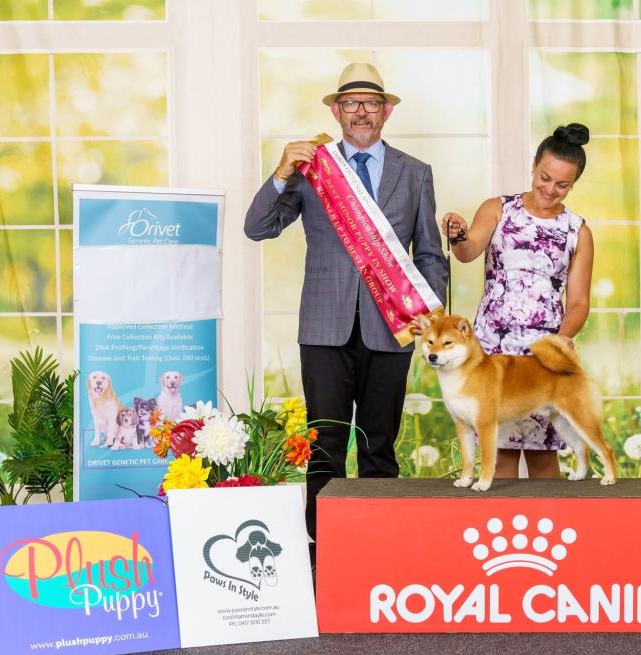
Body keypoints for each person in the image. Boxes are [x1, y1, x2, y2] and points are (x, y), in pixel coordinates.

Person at [244, 63, 448, 560]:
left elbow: (429, 253)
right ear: (336, 111)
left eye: (371, 103)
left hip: (393, 329)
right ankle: (326, 555)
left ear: (386, 112)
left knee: (380, 446)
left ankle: (381, 552)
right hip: (323, 329)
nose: (361, 112)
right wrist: (281, 173)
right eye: (351, 103)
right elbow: (257, 228)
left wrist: (426, 314)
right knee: (325, 447)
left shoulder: (415, 172)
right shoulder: (313, 167)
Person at [441, 122, 594, 480]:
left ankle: (550, 519)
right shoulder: (498, 209)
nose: (550, 189)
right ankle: (499, 519)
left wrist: (562, 338)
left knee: (543, 457)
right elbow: (467, 251)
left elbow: (579, 302)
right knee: (499, 452)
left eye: (562, 184)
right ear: (534, 166)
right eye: (544, 177)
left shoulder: (578, 231)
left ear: (574, 184)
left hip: (543, 354)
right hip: (493, 350)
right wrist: (458, 234)